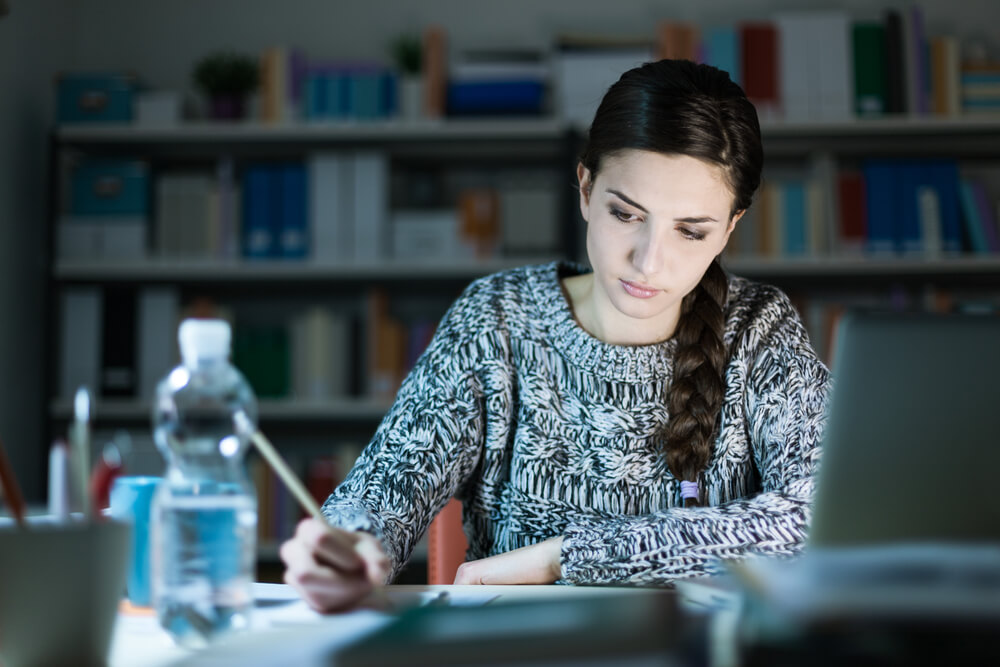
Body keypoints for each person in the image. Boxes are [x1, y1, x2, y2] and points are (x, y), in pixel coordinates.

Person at [279, 58, 833, 612]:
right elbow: (383, 491)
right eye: (626, 215)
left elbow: (825, 516)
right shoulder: (498, 318)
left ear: (729, 228)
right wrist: (350, 544)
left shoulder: (760, 328)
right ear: (586, 189)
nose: (649, 262)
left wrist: (565, 557)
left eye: (691, 231)